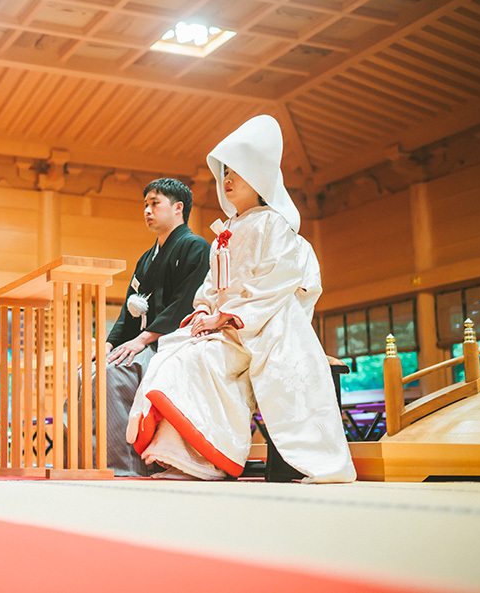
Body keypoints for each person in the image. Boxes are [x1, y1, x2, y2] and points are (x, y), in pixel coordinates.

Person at [125, 115, 356, 483]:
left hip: (258, 327)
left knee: (203, 361)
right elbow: (211, 288)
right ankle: (177, 454)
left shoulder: (273, 224)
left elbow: (278, 281)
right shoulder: (226, 231)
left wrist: (224, 317)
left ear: (260, 176)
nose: (227, 179)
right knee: (173, 353)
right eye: (225, 172)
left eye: (237, 172)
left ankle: (208, 459)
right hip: (224, 325)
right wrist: (202, 310)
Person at [100, 177, 210, 477]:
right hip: (145, 341)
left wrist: (144, 339)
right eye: (145, 204)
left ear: (178, 208)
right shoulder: (146, 259)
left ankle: (125, 466)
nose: (147, 210)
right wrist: (110, 344)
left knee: (112, 374)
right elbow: (128, 310)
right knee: (91, 371)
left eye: (154, 203)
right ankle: (92, 462)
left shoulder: (196, 247)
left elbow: (185, 302)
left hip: (174, 343)